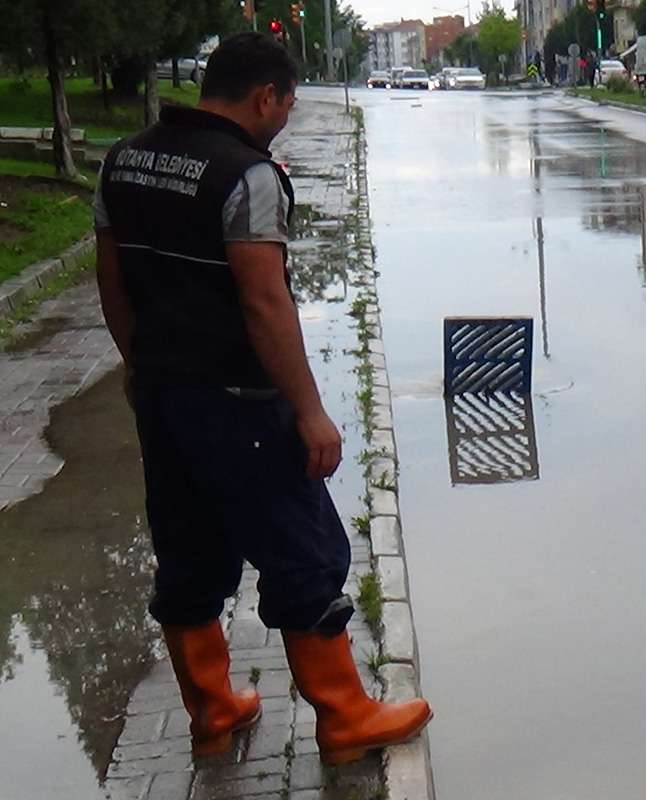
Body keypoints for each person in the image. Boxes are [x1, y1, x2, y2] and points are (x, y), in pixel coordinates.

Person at [93, 32, 432, 765]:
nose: (288, 112)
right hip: (239, 402)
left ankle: (213, 713)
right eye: (287, 100)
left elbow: (111, 281)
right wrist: (308, 410)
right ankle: (345, 720)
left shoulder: (121, 160)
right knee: (305, 551)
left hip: (161, 395)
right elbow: (264, 303)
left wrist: (136, 364)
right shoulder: (246, 175)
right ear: (264, 97)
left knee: (187, 551)